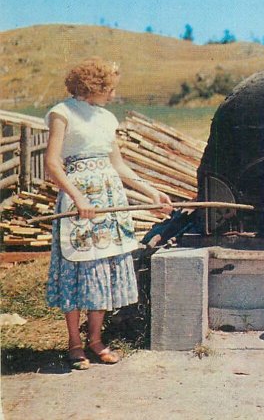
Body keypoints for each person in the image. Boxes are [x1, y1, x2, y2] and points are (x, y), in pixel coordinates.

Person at [44, 57, 172, 370]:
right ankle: (74, 343)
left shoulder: (106, 118)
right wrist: (76, 198)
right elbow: (52, 163)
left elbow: (119, 165)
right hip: (80, 203)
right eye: (109, 89)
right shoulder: (62, 113)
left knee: (102, 270)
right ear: (93, 86)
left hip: (109, 200)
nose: (113, 95)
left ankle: (96, 340)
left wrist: (150, 191)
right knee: (76, 270)